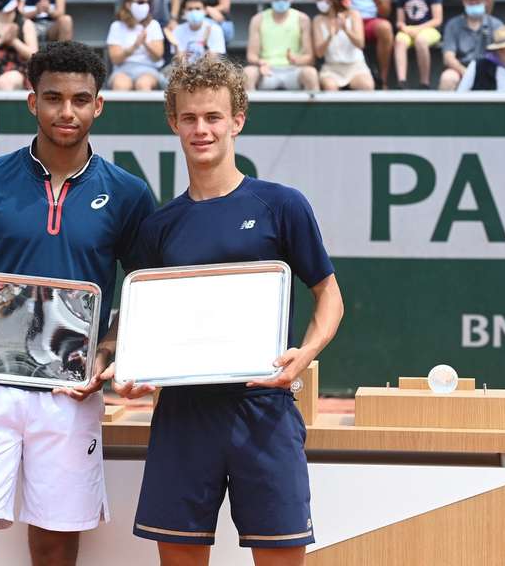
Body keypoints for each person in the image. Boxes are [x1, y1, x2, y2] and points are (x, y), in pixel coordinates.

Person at [104, 54, 343, 566]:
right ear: (173, 122)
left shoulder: (281, 205)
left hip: (265, 410)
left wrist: (304, 353)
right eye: (189, 118)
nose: (201, 129)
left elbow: (329, 293)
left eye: (213, 117)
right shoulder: (159, 226)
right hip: (184, 417)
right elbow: (141, 314)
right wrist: (132, 367)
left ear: (237, 120)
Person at [0, 40, 155, 566]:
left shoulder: (127, 194)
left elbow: (143, 285)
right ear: (32, 101)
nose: (66, 111)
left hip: (69, 393)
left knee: (54, 553)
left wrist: (111, 346)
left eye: (81, 99)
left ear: (99, 105)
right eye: (53, 98)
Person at [244, 0, 318, 91]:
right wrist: (261, 63)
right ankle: (249, 109)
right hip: (267, 70)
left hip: (294, 70)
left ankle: (315, 110)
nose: (281, 0)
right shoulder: (258, 19)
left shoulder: (302, 19)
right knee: (248, 73)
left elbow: (309, 57)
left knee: (311, 74)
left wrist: (296, 60)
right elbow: (251, 55)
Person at [330, 0, 394, 88]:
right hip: (344, 17)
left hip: (369, 20)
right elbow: (331, 0)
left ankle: (383, 81)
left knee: (385, 28)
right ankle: (335, 76)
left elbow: (385, 12)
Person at [438, 0, 501, 90]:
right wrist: (466, 72)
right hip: (461, 69)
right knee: (448, 78)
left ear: (486, 0)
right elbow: (448, 57)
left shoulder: (496, 25)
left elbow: (503, 55)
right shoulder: (453, 25)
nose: (473, 2)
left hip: (488, 70)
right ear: (463, 1)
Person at [311, 0, 374, 91]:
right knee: (330, 87)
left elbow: (360, 44)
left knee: (367, 86)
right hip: (331, 68)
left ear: (331, 0)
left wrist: (345, 29)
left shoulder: (354, 15)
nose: (317, 1)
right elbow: (319, 53)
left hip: (356, 66)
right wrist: (330, 36)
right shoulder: (318, 20)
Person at [107, 0, 166, 90]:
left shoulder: (154, 25)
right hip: (122, 69)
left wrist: (146, 44)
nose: (144, 5)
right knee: (121, 85)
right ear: (128, 5)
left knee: (143, 84)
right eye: (140, 2)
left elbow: (158, 56)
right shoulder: (116, 26)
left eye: (147, 2)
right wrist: (135, 46)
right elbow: (115, 59)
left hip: (149, 69)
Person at [393, 0, 442, 89]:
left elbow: (437, 20)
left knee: (421, 40)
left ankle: (424, 82)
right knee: (399, 40)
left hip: (429, 29)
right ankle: (402, 81)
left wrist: (418, 29)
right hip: (409, 30)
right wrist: (404, 28)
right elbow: (400, 21)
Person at [167, 0, 225, 64]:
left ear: (205, 10)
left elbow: (213, 62)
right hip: (185, 72)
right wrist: (176, 45)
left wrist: (205, 44)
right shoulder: (177, 30)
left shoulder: (215, 29)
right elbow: (179, 63)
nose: (194, 12)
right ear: (184, 11)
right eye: (190, 9)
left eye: (198, 9)